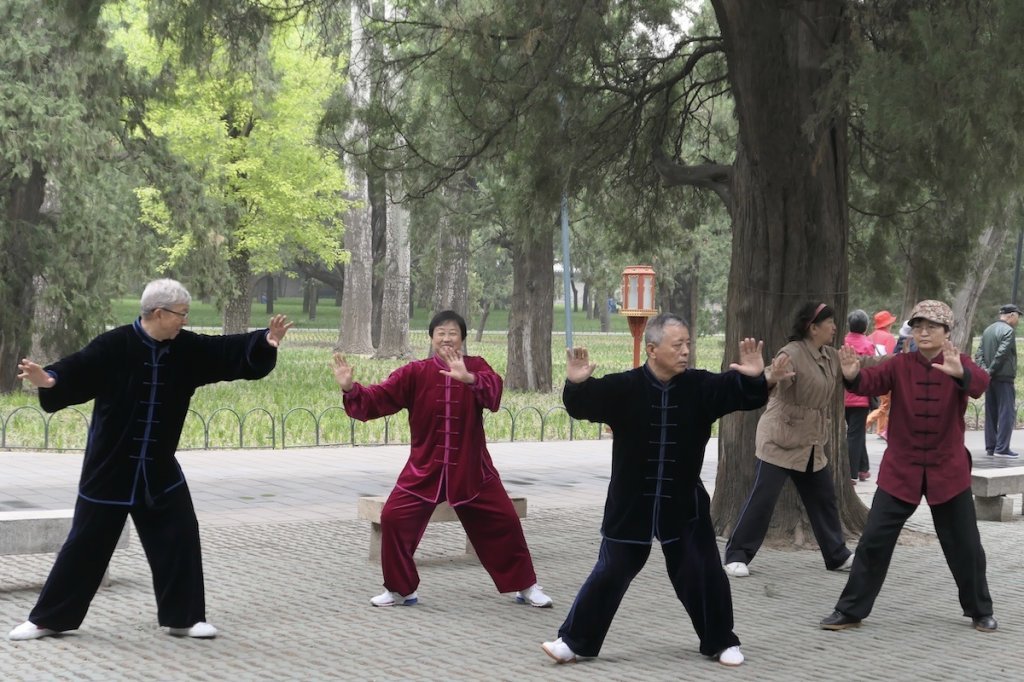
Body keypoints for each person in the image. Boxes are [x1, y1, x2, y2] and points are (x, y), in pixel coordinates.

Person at [8, 279, 293, 641]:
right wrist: (48, 379)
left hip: (158, 471)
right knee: (85, 545)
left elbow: (226, 352)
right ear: (158, 313)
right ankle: (47, 620)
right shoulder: (115, 345)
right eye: (181, 315)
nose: (184, 322)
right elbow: (78, 369)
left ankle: (185, 618)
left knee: (179, 537)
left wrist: (264, 343)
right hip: (109, 469)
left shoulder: (186, 349)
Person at [540, 312, 792, 668]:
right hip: (630, 504)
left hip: (683, 503)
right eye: (678, 345)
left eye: (689, 343)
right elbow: (583, 404)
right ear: (653, 349)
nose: (686, 351)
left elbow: (738, 393)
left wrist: (760, 378)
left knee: (702, 570)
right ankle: (573, 641)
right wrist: (577, 383)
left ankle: (721, 641)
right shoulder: (625, 387)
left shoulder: (700, 387)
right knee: (610, 571)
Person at [331, 310, 551, 609]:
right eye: (441, 333)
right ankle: (400, 589)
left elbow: (494, 394)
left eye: (453, 334)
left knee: (506, 520)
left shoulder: (477, 366)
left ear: (462, 338)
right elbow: (378, 398)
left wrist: (469, 379)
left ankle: (526, 586)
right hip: (424, 470)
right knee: (393, 517)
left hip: (473, 471)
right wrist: (349, 388)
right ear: (432, 338)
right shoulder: (415, 372)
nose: (447, 339)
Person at [820, 299, 998, 633]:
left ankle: (980, 610)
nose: (924, 332)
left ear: (946, 332)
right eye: (918, 327)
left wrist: (961, 372)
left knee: (966, 545)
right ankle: (850, 610)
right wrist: (852, 375)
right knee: (873, 540)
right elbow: (869, 382)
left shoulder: (958, 362)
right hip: (902, 469)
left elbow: (980, 385)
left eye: (932, 327)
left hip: (948, 470)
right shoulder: (899, 364)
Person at [723, 302, 857, 578]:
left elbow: (859, 367)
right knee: (763, 499)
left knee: (824, 499)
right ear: (813, 327)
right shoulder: (792, 353)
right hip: (780, 439)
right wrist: (771, 377)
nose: (834, 327)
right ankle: (737, 555)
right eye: (829, 323)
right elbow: (772, 376)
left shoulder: (830, 356)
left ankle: (837, 556)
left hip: (810, 443)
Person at [975, 303, 1021, 458]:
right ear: (1012, 315)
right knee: (1006, 413)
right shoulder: (1008, 331)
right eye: (1018, 317)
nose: (1018, 320)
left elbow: (979, 352)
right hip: (1003, 377)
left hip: (989, 378)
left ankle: (991, 447)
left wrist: (984, 371)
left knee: (991, 412)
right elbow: (1002, 353)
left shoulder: (988, 330)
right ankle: (1002, 448)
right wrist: (991, 370)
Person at [844, 310, 876, 483]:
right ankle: (852, 472)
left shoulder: (842, 342)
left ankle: (863, 468)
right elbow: (871, 370)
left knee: (856, 433)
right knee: (855, 435)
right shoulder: (868, 345)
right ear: (865, 326)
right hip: (860, 397)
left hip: (843, 397)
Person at [866, 310, 898, 440]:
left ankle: (881, 430)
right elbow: (891, 356)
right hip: (885, 373)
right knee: (885, 404)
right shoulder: (889, 337)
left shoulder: (870, 336)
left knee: (883, 403)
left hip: (872, 373)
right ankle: (866, 423)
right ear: (888, 324)